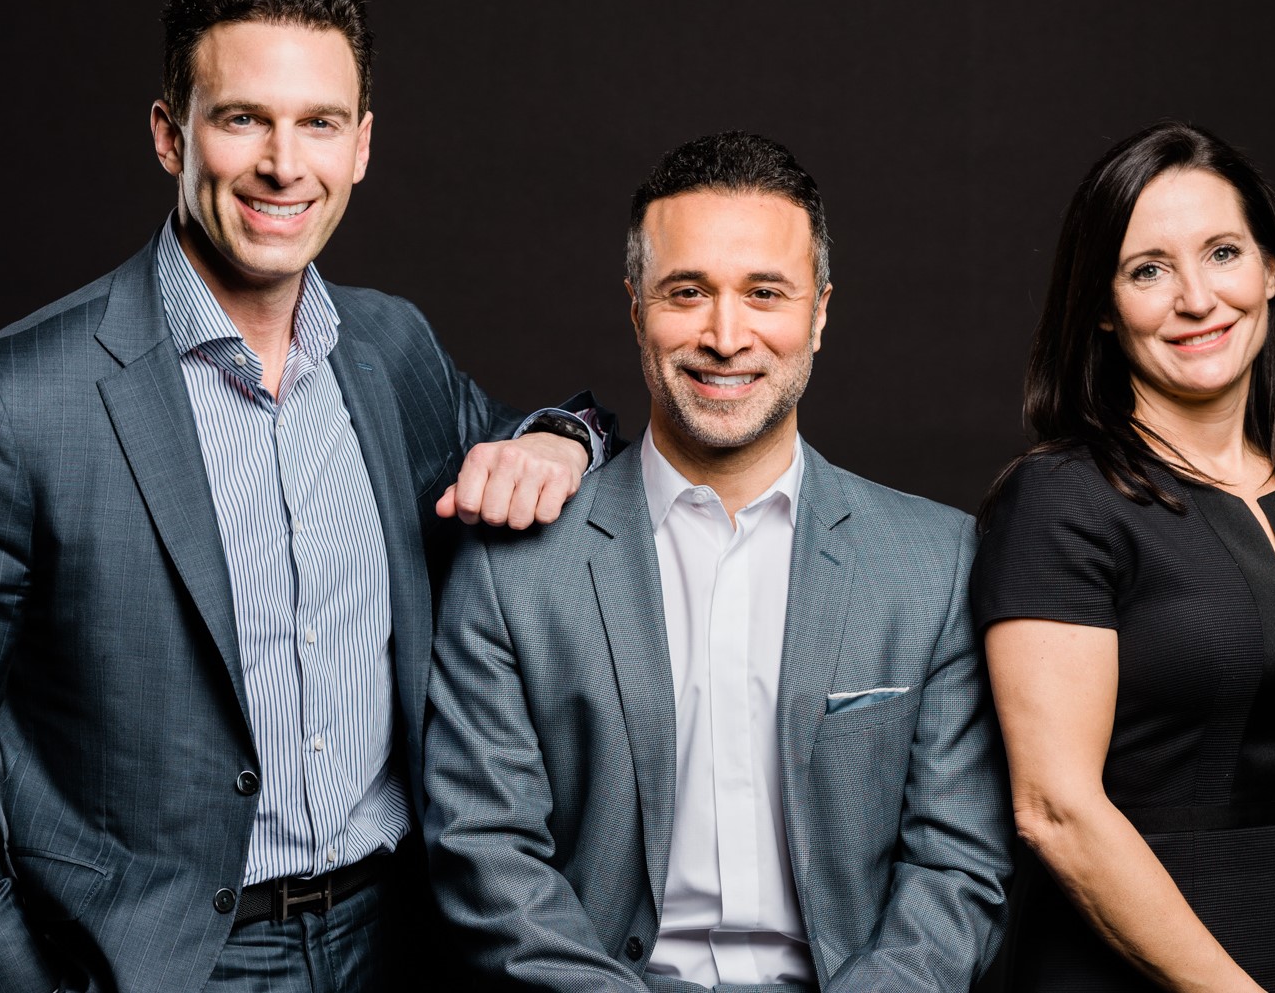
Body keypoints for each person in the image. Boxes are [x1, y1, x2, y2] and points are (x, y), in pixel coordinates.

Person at [0, 0, 612, 993]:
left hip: (411, 936)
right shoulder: (12, 402)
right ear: (170, 132)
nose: (284, 165)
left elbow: (526, 441)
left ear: (364, 145)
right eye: (243, 119)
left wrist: (564, 436)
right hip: (172, 965)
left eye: (321, 124)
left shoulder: (393, 349)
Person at [423, 131, 1012, 992]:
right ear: (636, 312)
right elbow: (486, 854)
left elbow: (957, 869)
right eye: (687, 292)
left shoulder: (938, 562)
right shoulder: (513, 569)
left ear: (818, 310)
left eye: (764, 292)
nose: (725, 335)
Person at [971, 120, 1275, 992]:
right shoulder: (1060, 501)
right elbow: (1056, 808)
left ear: (1271, 268)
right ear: (1103, 305)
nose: (1196, 298)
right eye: (1148, 270)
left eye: (1223, 253)